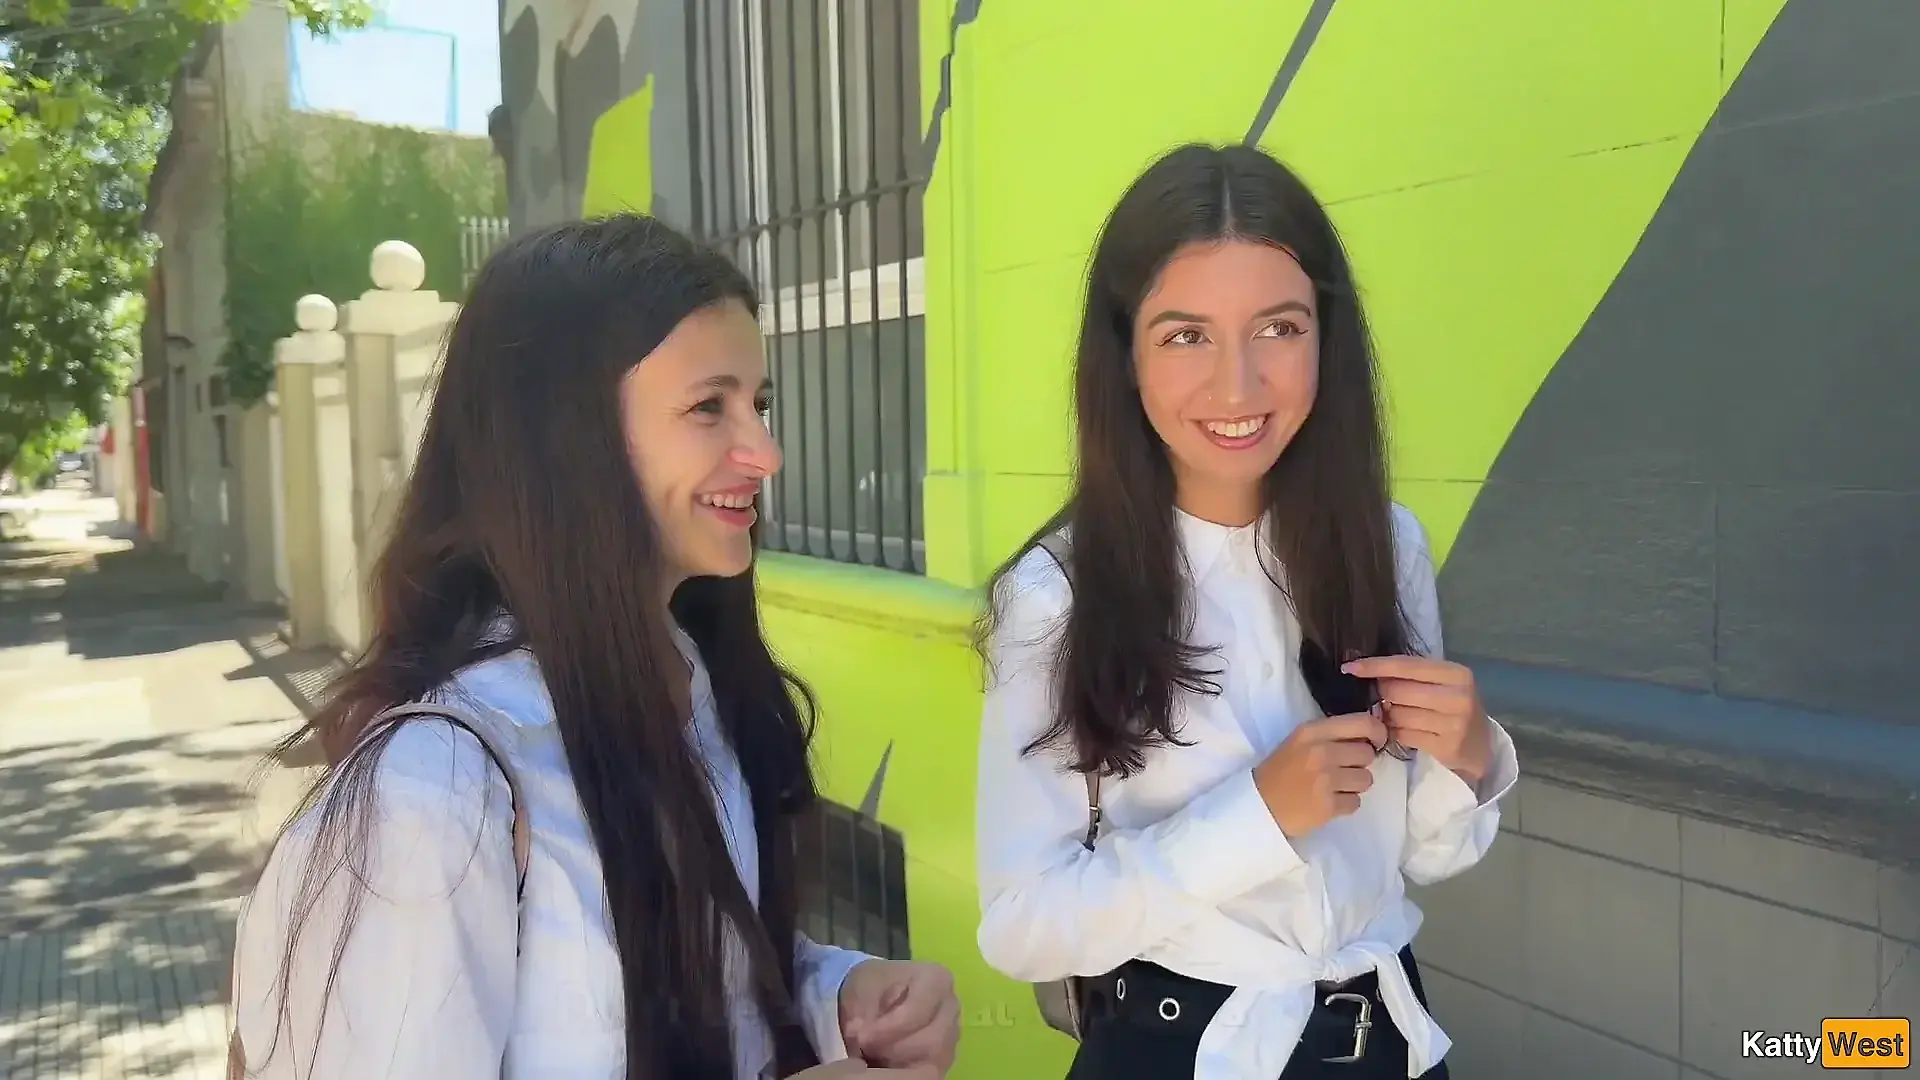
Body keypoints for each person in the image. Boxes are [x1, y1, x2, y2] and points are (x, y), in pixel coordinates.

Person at [229, 215, 961, 1080]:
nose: (765, 452)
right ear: (566, 442)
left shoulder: (698, 685)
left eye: (758, 404)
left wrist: (838, 995)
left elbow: (692, 983)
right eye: (709, 407)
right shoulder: (435, 791)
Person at [972, 144, 1518, 1080]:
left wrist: (1468, 755)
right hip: (1178, 1047)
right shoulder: (1057, 597)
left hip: (1387, 1038)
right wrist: (1252, 819)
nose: (1237, 386)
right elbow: (1023, 925)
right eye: (1186, 335)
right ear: (1125, 355)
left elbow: (1428, 856)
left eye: (1279, 328)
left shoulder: (1386, 547)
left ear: (1327, 340)